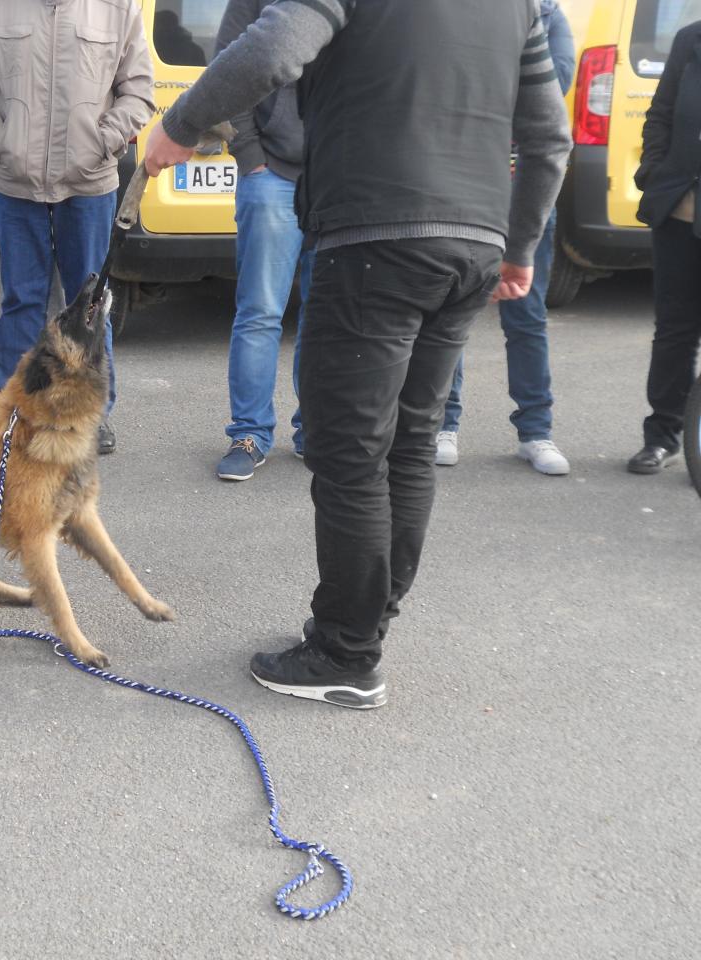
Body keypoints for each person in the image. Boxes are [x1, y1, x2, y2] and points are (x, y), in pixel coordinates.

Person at [143, 0, 571, 708]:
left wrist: (180, 123)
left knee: (350, 457)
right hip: (471, 246)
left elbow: (275, 50)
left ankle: (344, 650)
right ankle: (366, 620)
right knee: (408, 446)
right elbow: (549, 137)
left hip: (375, 239)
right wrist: (519, 247)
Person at [0, 0, 154, 455]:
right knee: (21, 300)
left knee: (89, 304)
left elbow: (138, 90)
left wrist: (102, 141)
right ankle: (9, 412)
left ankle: (92, 415)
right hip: (15, 183)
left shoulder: (116, 8)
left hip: (89, 184)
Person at [435, 0, 576, 477]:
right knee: (449, 312)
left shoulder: (549, 13)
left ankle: (536, 432)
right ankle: (442, 424)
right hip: (465, 191)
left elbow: (554, 84)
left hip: (525, 200)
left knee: (526, 318)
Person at [212, 0, 313, 483]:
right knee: (260, 312)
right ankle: (248, 435)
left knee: (332, 315)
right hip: (270, 173)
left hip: (341, 179)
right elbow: (228, 68)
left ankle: (317, 431)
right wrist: (250, 153)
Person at [627, 17, 701, 475]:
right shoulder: (689, 39)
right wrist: (654, 171)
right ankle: (662, 436)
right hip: (680, 209)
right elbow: (661, 113)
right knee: (674, 329)